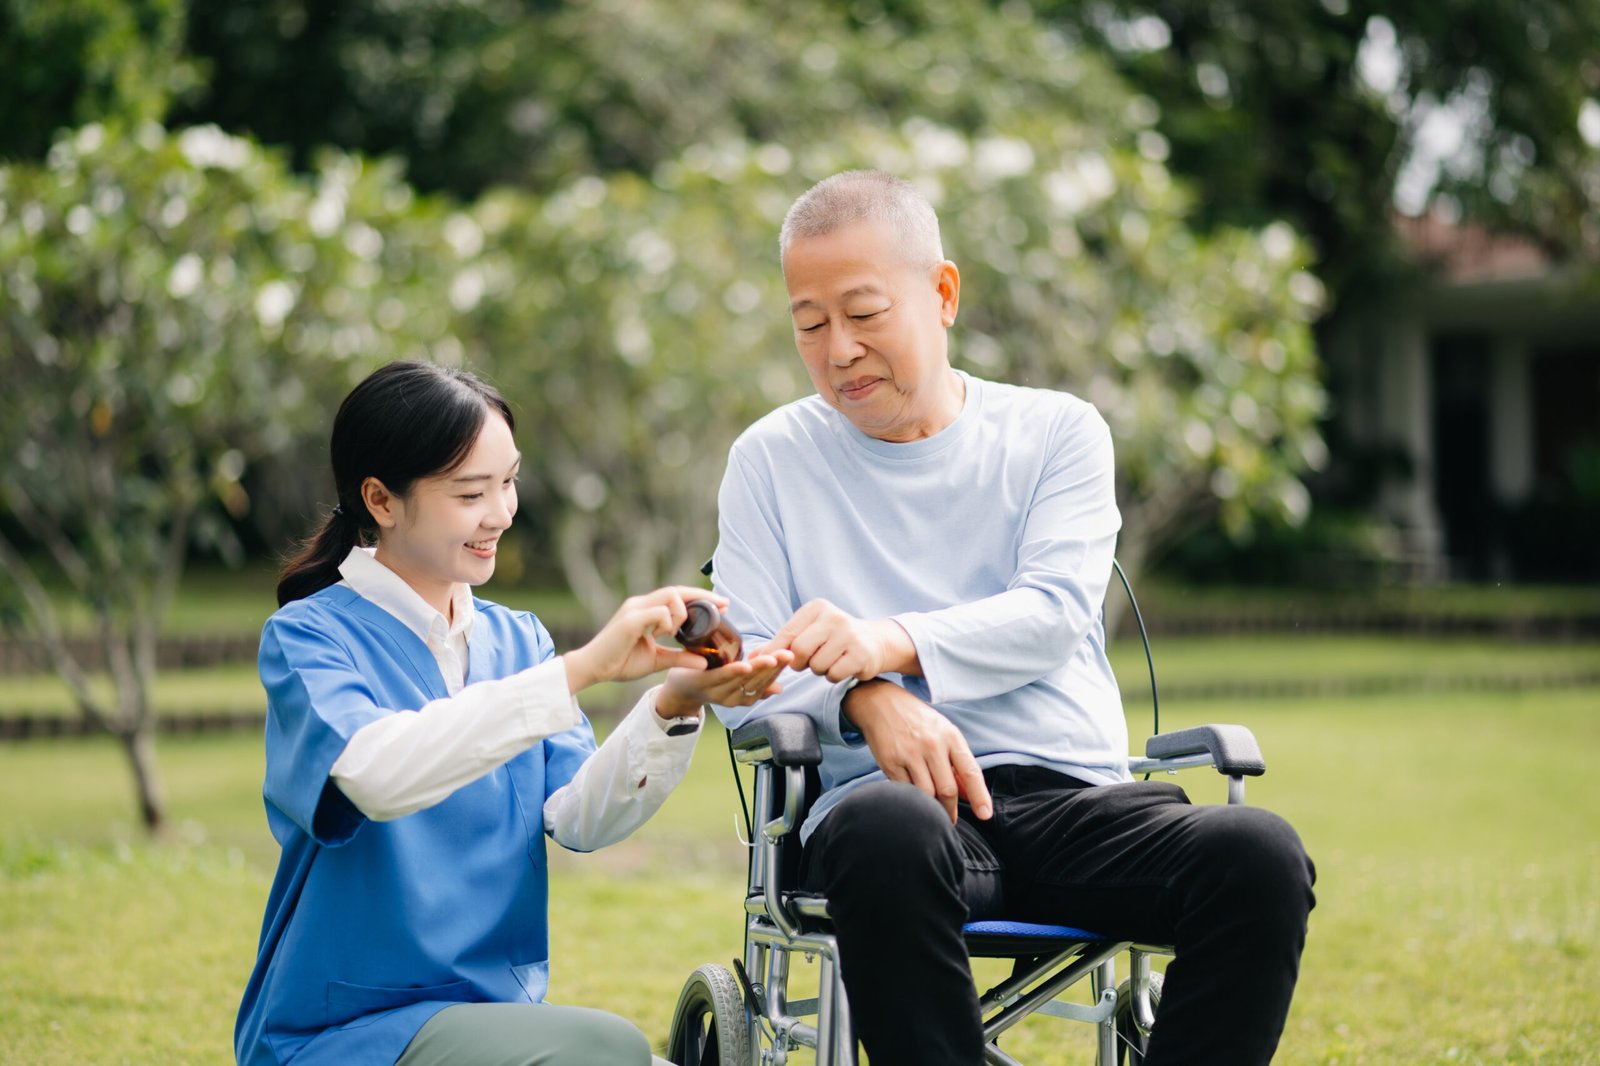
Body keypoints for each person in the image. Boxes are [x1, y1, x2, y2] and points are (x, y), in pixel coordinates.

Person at [709, 171, 1316, 1065]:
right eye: (809, 323)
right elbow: (747, 670)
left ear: (942, 293)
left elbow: (1054, 614)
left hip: (1075, 803)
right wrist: (865, 702)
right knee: (887, 829)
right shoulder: (770, 460)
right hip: (889, 814)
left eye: (864, 314)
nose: (838, 349)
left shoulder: (1057, 433)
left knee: (1259, 853)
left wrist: (887, 643)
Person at [235, 361, 792, 1066]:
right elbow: (373, 775)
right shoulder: (309, 639)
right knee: (612, 1049)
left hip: (496, 1027)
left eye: (509, 481)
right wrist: (582, 668)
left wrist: (675, 703)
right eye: (472, 492)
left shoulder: (516, 639)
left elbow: (581, 820)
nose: (501, 512)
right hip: (345, 1032)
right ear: (380, 499)